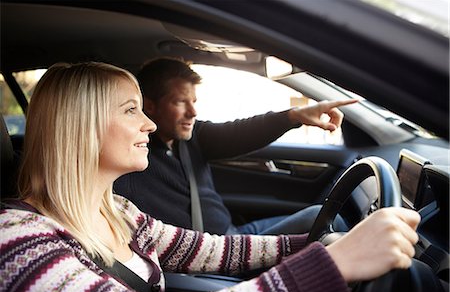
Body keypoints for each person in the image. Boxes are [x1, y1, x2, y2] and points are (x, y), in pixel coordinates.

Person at [0, 61, 420, 292]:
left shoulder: (117, 212)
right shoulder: (18, 239)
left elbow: (214, 251)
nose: (147, 123)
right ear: (82, 127)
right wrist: (332, 264)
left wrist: (317, 242)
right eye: (131, 110)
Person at [114, 57, 357, 235]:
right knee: (323, 222)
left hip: (234, 233)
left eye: (194, 101)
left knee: (327, 220)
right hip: (213, 252)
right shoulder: (132, 157)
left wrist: (294, 116)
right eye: (180, 102)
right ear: (150, 106)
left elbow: (240, 132)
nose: (193, 112)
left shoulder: (190, 138)